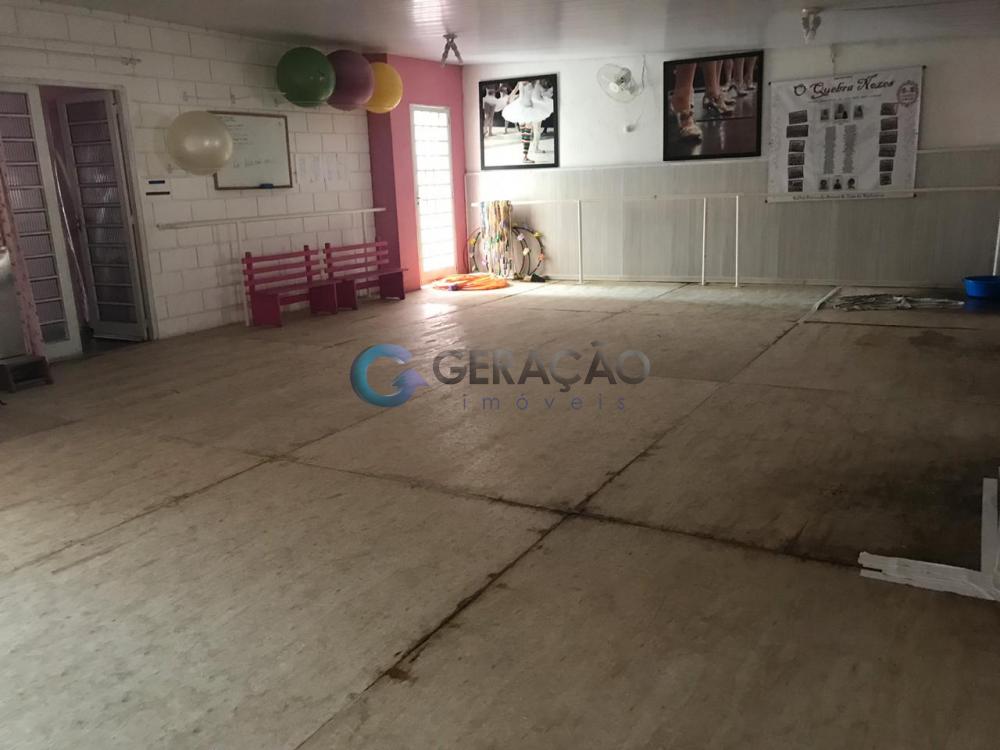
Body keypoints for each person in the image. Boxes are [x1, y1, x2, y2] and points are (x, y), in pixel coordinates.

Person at [501, 80, 554, 163]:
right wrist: (509, 99)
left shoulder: (529, 82)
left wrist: (510, 99)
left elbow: (515, 92)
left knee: (525, 133)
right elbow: (514, 91)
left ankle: (525, 156)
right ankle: (525, 156)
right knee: (526, 133)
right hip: (524, 108)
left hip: (524, 107)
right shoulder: (531, 82)